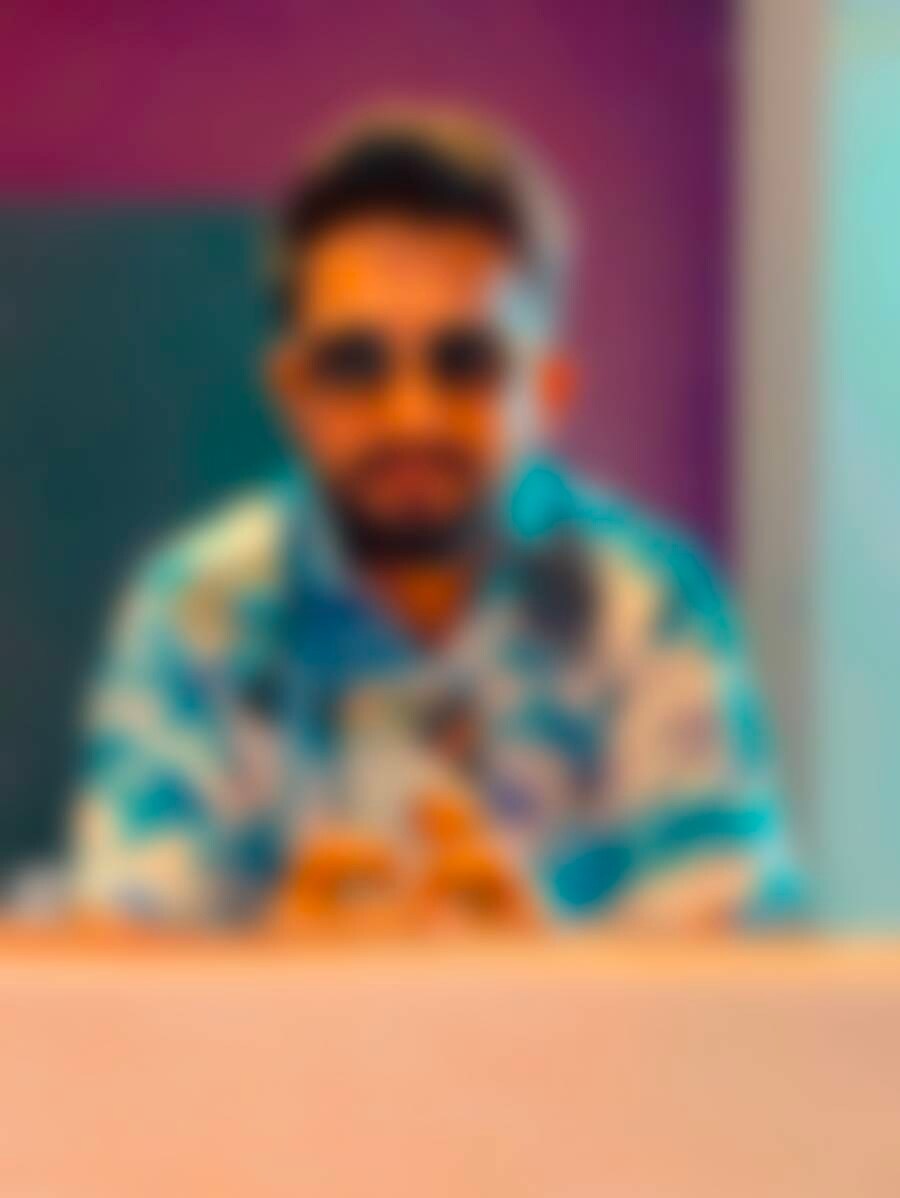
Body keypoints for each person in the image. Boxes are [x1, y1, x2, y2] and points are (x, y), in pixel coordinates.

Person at [72, 106, 794, 929]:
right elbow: (122, 947)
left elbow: (736, 959)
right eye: (355, 364)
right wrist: (276, 975)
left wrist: (545, 977)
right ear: (292, 392)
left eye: (466, 361)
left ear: (548, 390)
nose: (411, 415)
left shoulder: (647, 607)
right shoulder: (196, 611)